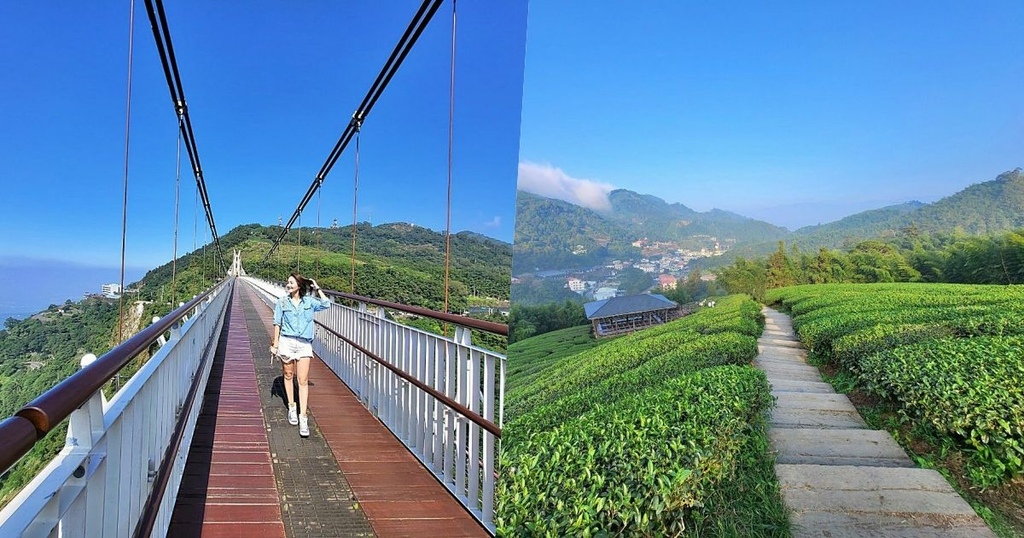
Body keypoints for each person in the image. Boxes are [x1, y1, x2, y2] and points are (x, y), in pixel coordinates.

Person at [270, 272, 331, 437]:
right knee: (288, 375)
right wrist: (275, 344)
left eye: (291, 282)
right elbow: (277, 323)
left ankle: (303, 417)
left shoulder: (310, 302)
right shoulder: (282, 302)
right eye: (287, 282)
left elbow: (326, 304)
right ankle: (291, 406)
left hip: (304, 344)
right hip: (287, 342)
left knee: (302, 380)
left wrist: (317, 289)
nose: (288, 285)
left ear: (299, 285)